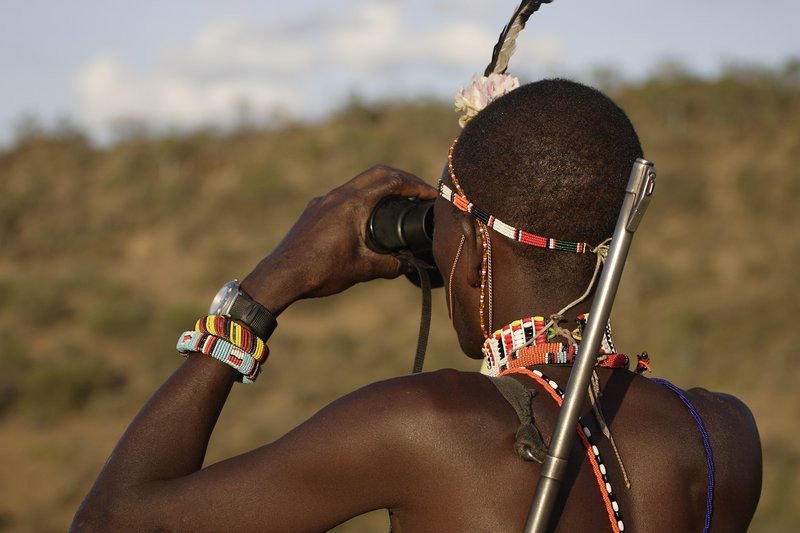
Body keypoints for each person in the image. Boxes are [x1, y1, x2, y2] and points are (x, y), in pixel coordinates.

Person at [71, 79, 762, 532]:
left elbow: (110, 521)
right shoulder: (725, 433)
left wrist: (265, 288)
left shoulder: (423, 427)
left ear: (479, 256)